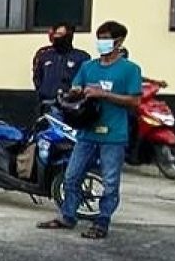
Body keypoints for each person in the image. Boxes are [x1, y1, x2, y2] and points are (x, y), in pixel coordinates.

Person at [38, 21, 142, 239]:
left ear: (119, 41)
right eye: (99, 37)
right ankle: (68, 215)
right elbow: (77, 86)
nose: (101, 42)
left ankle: (102, 221)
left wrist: (105, 95)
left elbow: (134, 101)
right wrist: (75, 93)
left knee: (110, 182)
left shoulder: (130, 70)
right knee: (72, 176)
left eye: (106, 38)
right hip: (86, 132)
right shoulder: (88, 67)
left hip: (113, 134)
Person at [32, 23, 89, 109]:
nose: (57, 37)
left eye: (60, 34)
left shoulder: (81, 57)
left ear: (69, 36)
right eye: (55, 34)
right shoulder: (44, 55)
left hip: (71, 105)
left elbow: (86, 80)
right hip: (47, 103)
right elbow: (37, 77)